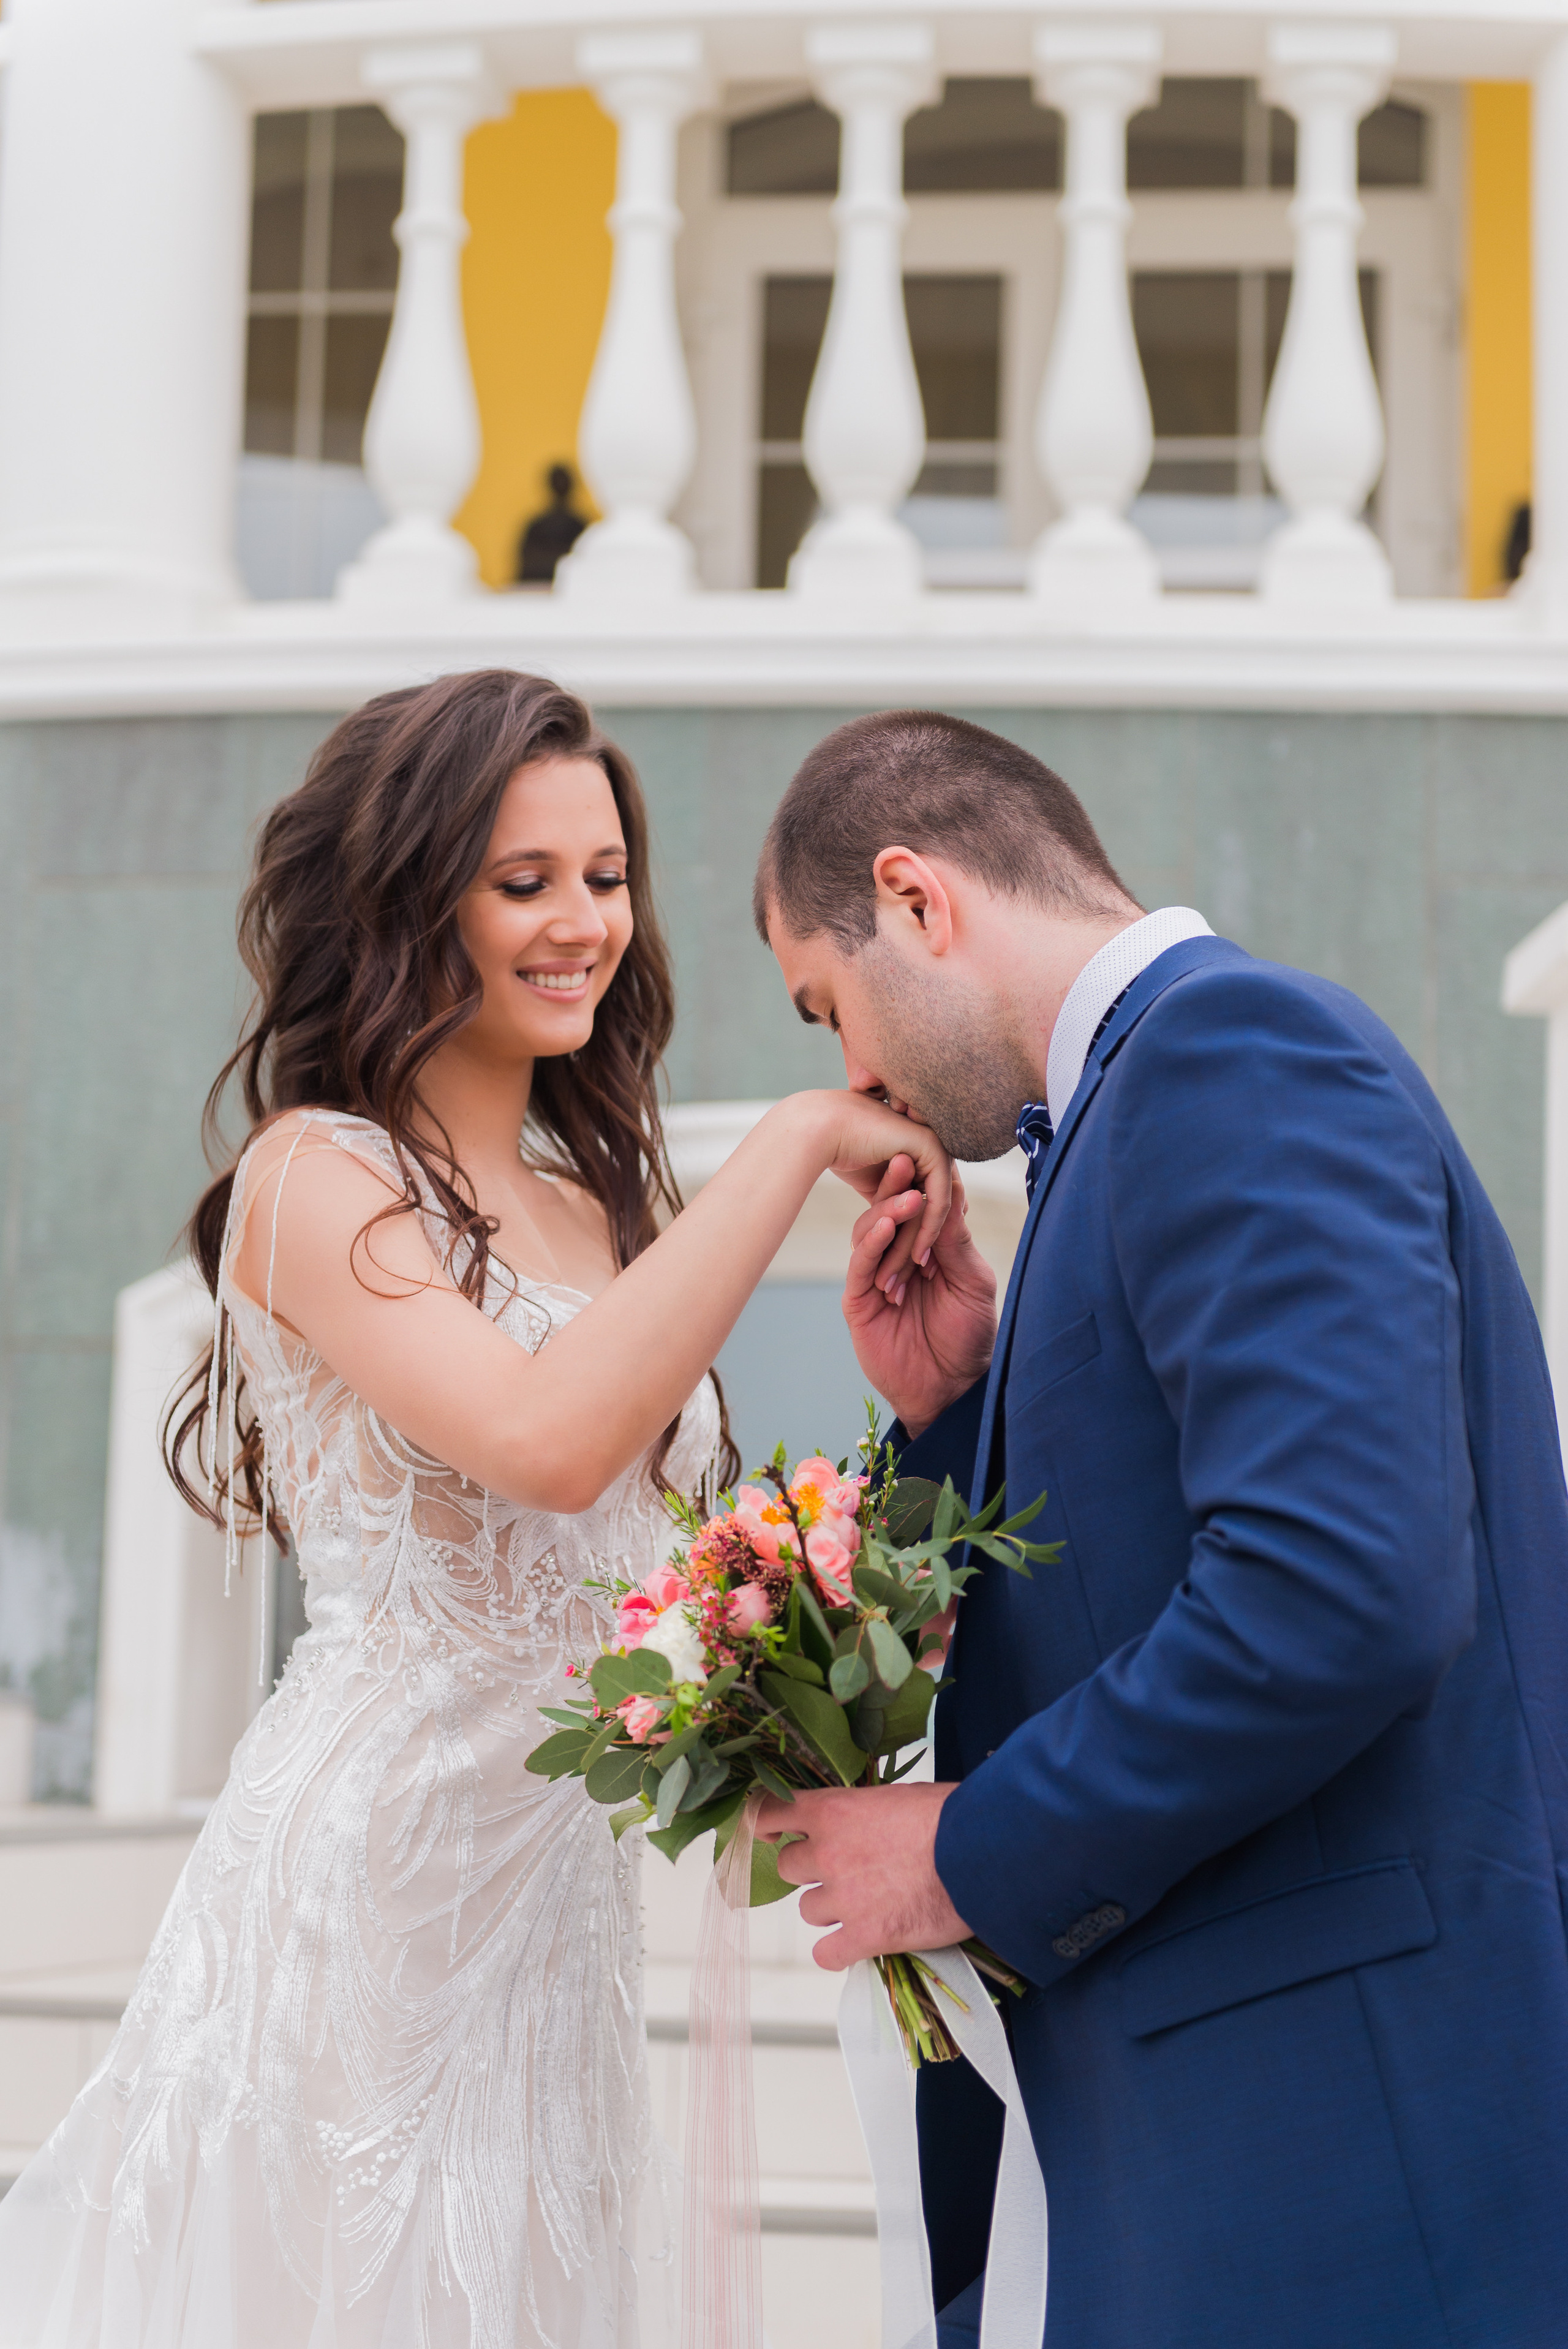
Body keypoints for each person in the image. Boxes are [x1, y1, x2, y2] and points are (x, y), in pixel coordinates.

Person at [0, 671, 949, 2349]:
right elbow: (550, 1439)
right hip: (370, 1890)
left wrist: (808, 1673)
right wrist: (797, 1134)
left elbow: (635, 1570)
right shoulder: (316, 1177)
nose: (581, 920)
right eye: (524, 881)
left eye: (604, 874)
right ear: (407, 898)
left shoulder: (608, 1200)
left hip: (549, 1916)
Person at [753, 708, 1568, 2349]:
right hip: (1245, 2147)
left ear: (916, 897)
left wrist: (959, 1851)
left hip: (1344, 2146)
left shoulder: (1230, 1051)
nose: (853, 1075)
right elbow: (1138, 1573)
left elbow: (1340, 1589)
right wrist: (951, 1408)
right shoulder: (1127, 1120)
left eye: (828, 1005)